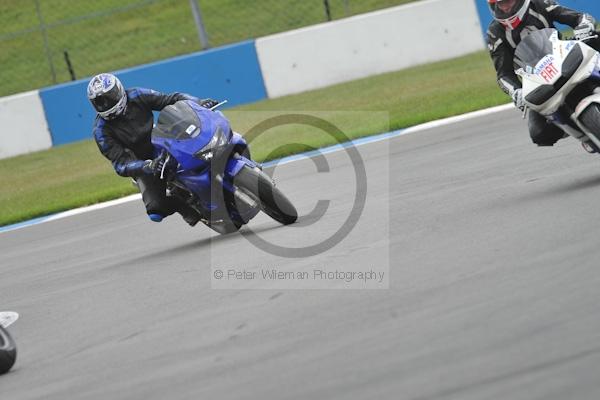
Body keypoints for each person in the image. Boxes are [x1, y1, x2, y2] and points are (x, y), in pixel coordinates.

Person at [88, 73, 219, 225]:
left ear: (118, 91)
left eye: (108, 98)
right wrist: (147, 166)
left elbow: (171, 99)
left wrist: (198, 103)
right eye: (99, 102)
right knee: (156, 211)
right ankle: (181, 206)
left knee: (196, 148)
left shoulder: (137, 95)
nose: (105, 104)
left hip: (161, 141)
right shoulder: (101, 131)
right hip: (142, 164)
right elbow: (120, 164)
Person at [486, 0, 598, 149]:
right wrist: (516, 91)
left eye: (508, 1)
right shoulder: (495, 33)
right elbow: (503, 74)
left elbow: (580, 17)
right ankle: (582, 132)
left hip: (564, 57)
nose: (505, 7)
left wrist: (584, 27)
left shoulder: (540, 4)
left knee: (595, 38)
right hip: (536, 79)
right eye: (500, 4)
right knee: (539, 133)